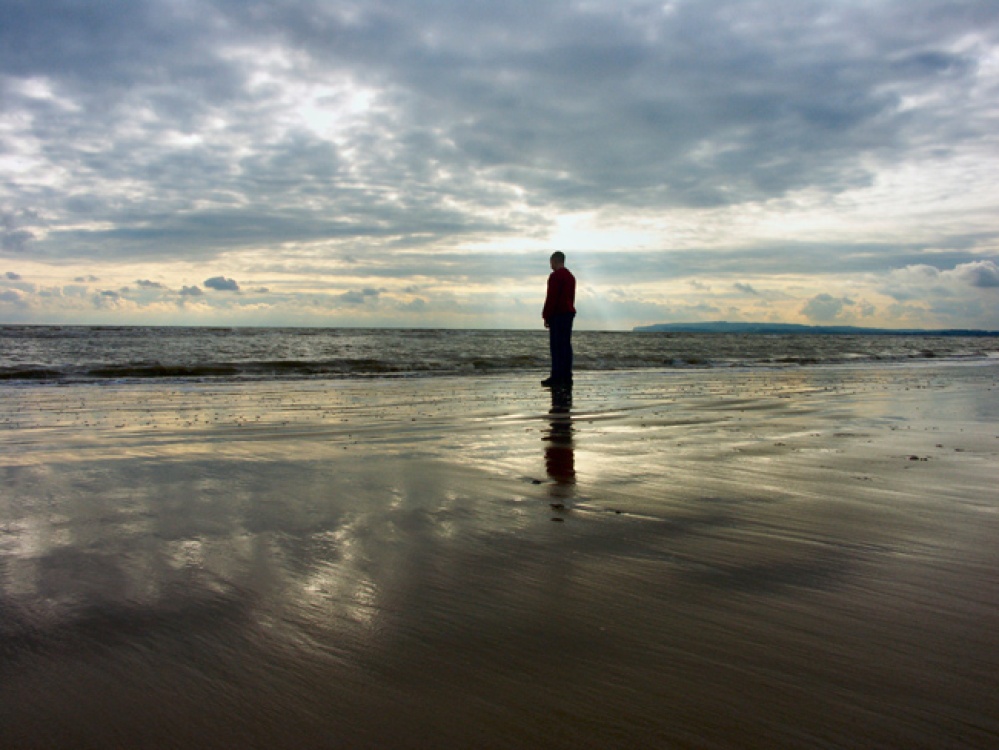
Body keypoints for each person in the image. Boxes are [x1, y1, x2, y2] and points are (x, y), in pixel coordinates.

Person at [541, 251, 576, 387]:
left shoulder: (555, 276)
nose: (550, 265)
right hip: (568, 312)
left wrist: (546, 315)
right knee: (566, 345)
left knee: (556, 346)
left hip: (558, 313)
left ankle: (556, 375)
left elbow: (551, 297)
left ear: (555, 261)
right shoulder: (571, 277)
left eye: (551, 262)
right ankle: (566, 375)